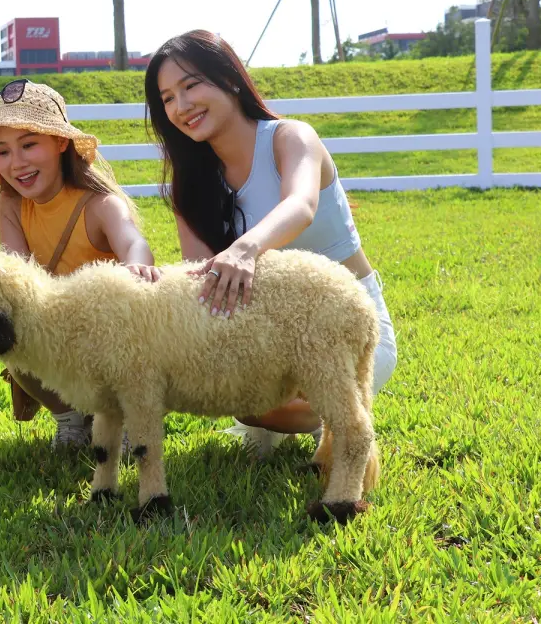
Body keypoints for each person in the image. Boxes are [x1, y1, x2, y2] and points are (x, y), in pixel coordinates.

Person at [143, 29, 398, 457]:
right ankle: (260, 423)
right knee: (230, 393)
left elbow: (300, 205)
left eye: (190, 86)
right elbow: (200, 280)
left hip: (348, 327)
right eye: (167, 98)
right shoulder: (191, 184)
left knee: (296, 407)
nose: (181, 107)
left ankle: (330, 421)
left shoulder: (290, 137)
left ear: (230, 80)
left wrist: (245, 248)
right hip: (266, 333)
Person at [0, 79, 160, 447]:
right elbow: (18, 270)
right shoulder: (11, 204)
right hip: (59, 328)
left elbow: (135, 243)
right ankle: (69, 418)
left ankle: (126, 417)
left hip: (108, 329)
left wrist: (135, 267)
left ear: (60, 142)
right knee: (12, 337)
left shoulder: (98, 204)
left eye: (29, 145)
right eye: (2, 152)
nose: (16, 163)